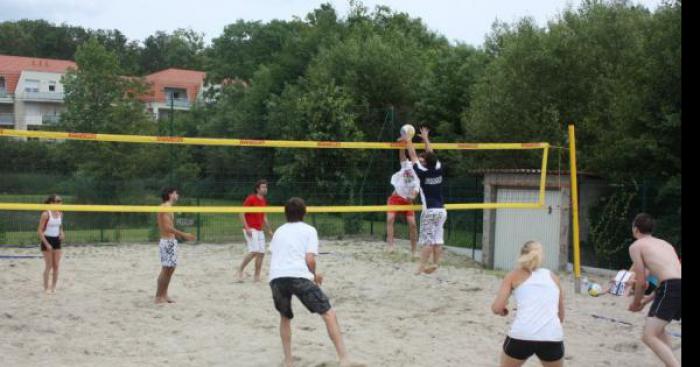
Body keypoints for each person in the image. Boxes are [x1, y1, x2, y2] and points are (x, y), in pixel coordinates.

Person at [268, 197, 358, 367]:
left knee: (285, 317)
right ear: (304, 213)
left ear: (286, 214)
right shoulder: (309, 230)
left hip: (276, 277)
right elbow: (309, 259)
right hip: (298, 276)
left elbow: (279, 256)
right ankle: (344, 359)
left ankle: (288, 361)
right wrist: (315, 276)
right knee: (329, 314)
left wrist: (311, 275)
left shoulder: (279, 231)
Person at [491, 241, 565, 367]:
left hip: (522, 335)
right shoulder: (553, 277)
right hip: (551, 336)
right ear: (541, 256)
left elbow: (496, 308)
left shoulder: (513, 275)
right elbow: (561, 316)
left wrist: (503, 311)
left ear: (521, 255)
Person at [627, 213, 681, 367]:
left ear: (636, 229)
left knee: (648, 336)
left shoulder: (636, 246)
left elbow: (642, 282)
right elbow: (668, 278)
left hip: (671, 287)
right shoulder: (665, 244)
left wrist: (636, 303)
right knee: (658, 329)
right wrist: (646, 300)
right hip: (674, 285)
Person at [402, 126, 447, 275]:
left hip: (430, 211)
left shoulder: (422, 172)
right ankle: (435, 263)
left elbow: (413, 155)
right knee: (438, 239)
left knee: (427, 241)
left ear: (425, 163)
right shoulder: (438, 167)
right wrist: (426, 138)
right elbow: (431, 153)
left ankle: (421, 267)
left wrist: (408, 140)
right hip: (442, 210)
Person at [155, 187, 195, 304]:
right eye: (176, 193)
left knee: (170, 269)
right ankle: (158, 296)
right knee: (166, 269)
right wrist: (184, 234)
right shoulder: (165, 207)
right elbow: (167, 228)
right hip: (167, 242)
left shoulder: (168, 207)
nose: (177, 195)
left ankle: (164, 294)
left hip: (170, 241)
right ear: (170, 194)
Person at [386, 143, 420, 256]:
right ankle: (390, 246)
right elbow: (402, 156)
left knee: (413, 224)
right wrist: (402, 144)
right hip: (396, 197)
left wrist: (412, 197)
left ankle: (414, 251)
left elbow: (415, 193)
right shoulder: (408, 165)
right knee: (390, 219)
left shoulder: (421, 175)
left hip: (407, 201)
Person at [237, 179, 274, 282]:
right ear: (257, 189)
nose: (265, 189)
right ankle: (239, 270)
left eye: (266, 187)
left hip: (259, 229)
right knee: (254, 251)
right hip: (250, 229)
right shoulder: (251, 198)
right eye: (263, 187)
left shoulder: (263, 200)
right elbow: (241, 213)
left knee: (261, 253)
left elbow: (264, 217)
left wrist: (269, 230)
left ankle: (256, 276)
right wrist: (247, 227)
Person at [37, 194, 65, 294]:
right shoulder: (45, 214)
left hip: (57, 240)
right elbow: (39, 231)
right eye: (57, 201)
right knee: (48, 265)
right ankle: (46, 288)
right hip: (47, 239)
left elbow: (60, 226)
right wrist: (46, 243)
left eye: (60, 201)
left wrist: (62, 232)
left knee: (56, 265)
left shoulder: (60, 213)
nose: (60, 203)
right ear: (51, 202)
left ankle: (53, 287)